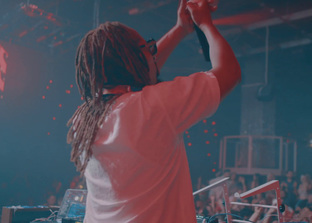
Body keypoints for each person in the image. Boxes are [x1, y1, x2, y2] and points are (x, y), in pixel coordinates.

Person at [66, 0, 241, 222]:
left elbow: (142, 68)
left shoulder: (85, 117)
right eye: (148, 48)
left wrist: (180, 30)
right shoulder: (153, 106)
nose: (154, 52)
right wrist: (205, 24)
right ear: (134, 60)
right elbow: (229, 71)